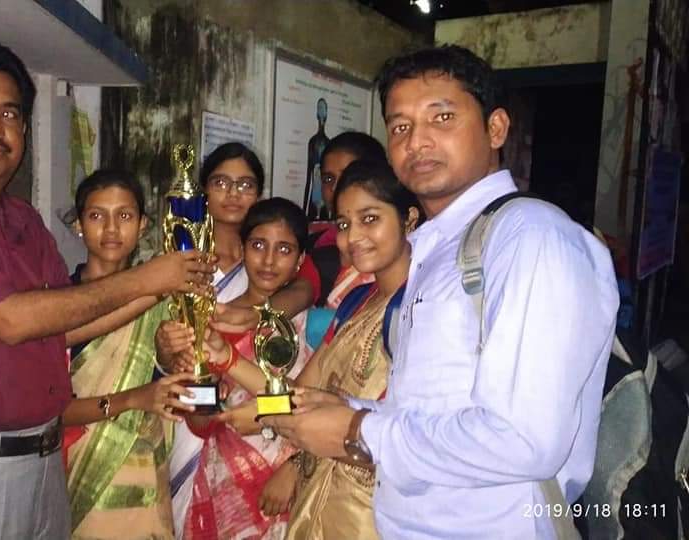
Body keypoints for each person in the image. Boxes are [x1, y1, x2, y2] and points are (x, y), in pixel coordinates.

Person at [262, 45, 619, 539]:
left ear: (496, 128)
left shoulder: (529, 237)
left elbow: (523, 440)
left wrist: (357, 431)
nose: (417, 141)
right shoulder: (437, 251)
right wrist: (352, 413)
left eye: (442, 117)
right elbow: (433, 412)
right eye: (400, 126)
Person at [0, 40, 213, 540]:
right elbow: (14, 320)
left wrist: (173, 284)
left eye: (9, 114)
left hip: (45, 464)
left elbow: (64, 327)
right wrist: (148, 279)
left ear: (25, 131)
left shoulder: (24, 221)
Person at [206, 160, 418, 539]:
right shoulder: (355, 303)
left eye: (370, 219)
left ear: (410, 220)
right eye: (344, 225)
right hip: (318, 500)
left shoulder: (422, 309)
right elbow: (300, 394)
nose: (353, 237)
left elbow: (413, 433)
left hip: (375, 512)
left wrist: (268, 418)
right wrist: (229, 360)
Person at [156, 143, 320, 537]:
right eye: (258, 246)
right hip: (217, 480)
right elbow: (202, 419)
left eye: (284, 250)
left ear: (300, 261)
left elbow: (314, 403)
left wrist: (262, 414)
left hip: (289, 479)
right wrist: (203, 389)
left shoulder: (311, 323)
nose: (269, 260)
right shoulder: (210, 316)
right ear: (244, 250)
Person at [63, 169, 195, 540]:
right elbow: (47, 409)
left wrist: (168, 358)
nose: (111, 228)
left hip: (143, 481)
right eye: (96, 215)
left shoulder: (165, 302)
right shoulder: (57, 303)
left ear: (143, 225)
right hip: (78, 473)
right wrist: (133, 398)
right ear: (78, 225)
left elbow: (170, 380)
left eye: (124, 215)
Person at [307, 131, 386, 308]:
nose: (336, 189)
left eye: (347, 177)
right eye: (328, 179)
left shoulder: (398, 253)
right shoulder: (315, 247)